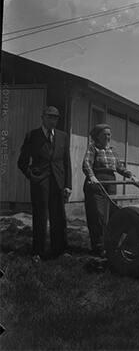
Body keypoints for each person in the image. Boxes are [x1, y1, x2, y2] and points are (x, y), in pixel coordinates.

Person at [17, 106, 72, 261]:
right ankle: (38, 252)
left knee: (59, 217)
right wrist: (32, 176)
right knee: (40, 216)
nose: (53, 120)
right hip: (40, 182)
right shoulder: (32, 136)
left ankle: (60, 250)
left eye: (55, 117)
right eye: (49, 117)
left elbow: (66, 162)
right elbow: (22, 162)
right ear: (42, 117)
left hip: (58, 182)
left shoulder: (63, 136)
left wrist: (68, 185)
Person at [82, 123, 135, 257]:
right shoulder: (93, 148)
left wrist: (128, 174)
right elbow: (86, 163)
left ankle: (112, 244)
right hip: (96, 183)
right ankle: (98, 247)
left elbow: (118, 166)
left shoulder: (112, 150)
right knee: (98, 215)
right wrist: (92, 176)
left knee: (112, 214)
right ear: (97, 136)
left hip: (111, 182)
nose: (107, 137)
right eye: (104, 134)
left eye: (109, 134)